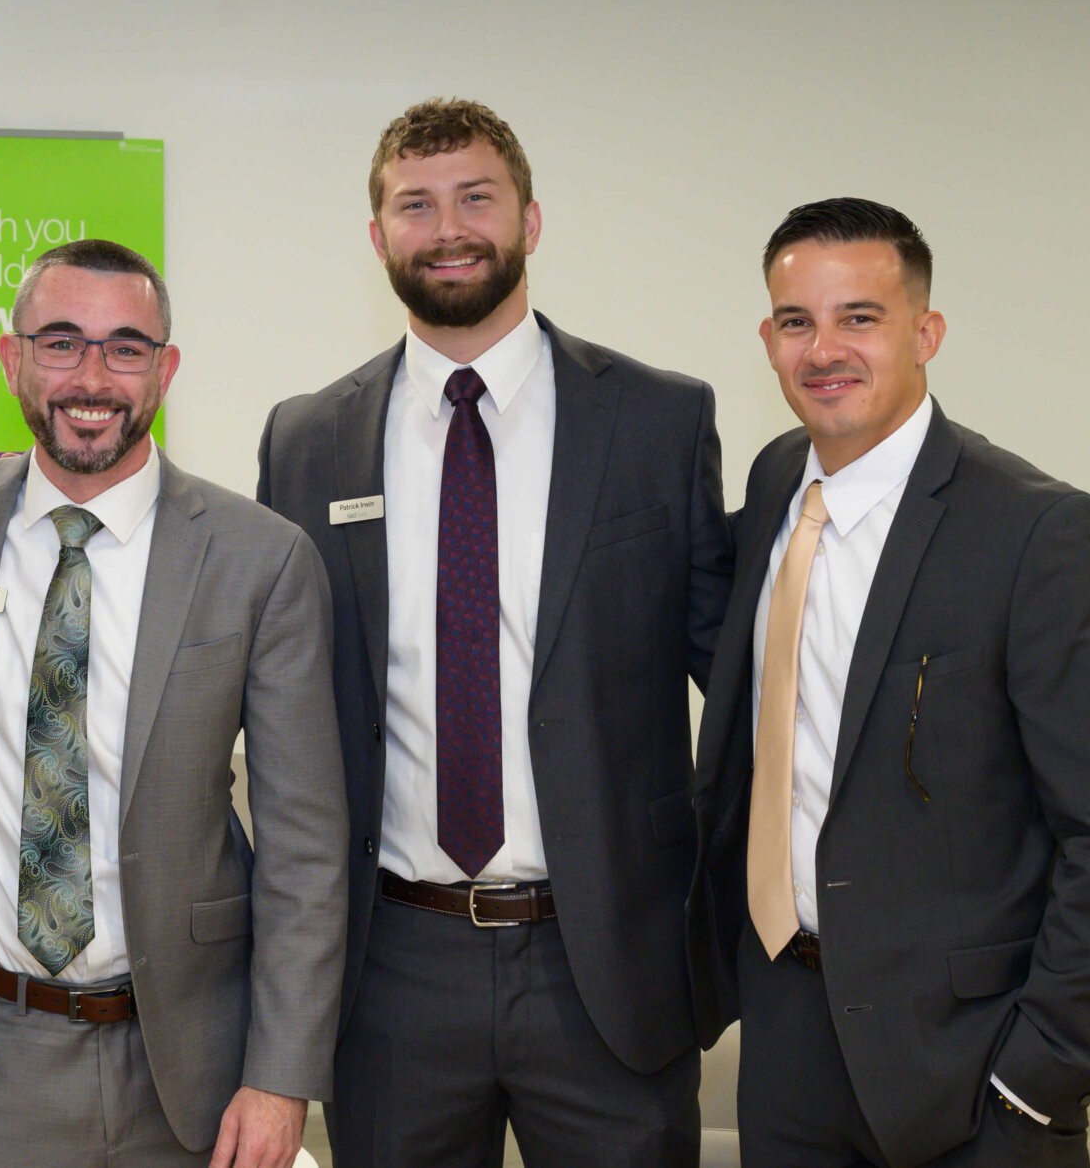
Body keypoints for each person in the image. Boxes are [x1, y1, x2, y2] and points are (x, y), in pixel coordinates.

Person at [258, 97, 733, 1167]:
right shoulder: (307, 440)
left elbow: (742, 680)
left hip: (603, 961)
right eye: (415, 205)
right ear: (377, 235)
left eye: (475, 197)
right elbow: (276, 690)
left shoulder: (658, 422)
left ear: (529, 217)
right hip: (393, 968)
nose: (448, 229)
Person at [693, 197, 1090, 1167]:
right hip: (787, 1032)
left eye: (859, 317)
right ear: (766, 340)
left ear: (925, 333)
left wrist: (1039, 1076)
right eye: (796, 321)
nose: (823, 350)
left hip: (968, 1063)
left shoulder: (1039, 534)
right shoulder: (776, 484)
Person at [0, 239, 347, 1168]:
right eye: (61, 342)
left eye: (126, 348)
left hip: (189, 1062)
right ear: (11, 359)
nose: (92, 378)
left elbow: (306, 843)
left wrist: (281, 1077)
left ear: (166, 369)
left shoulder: (260, 557)